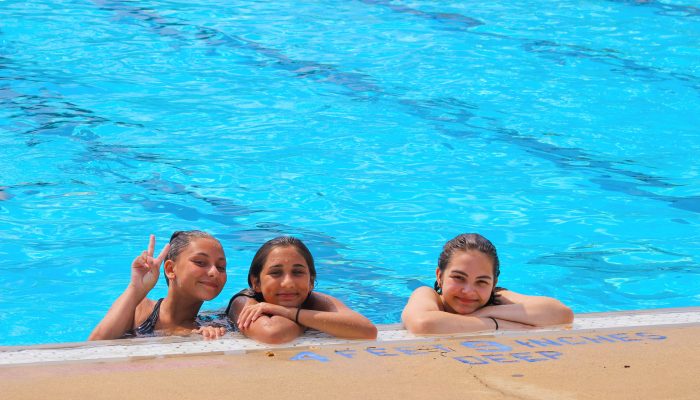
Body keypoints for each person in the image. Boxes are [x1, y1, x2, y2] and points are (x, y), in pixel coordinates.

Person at [402, 233, 573, 334]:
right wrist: (495, 324)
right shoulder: (427, 295)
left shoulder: (497, 297)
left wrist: (488, 310)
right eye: (459, 278)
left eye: (482, 282)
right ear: (440, 276)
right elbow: (423, 323)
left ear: (493, 283)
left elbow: (561, 314)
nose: (469, 291)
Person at [227, 236, 377, 344]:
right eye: (276, 273)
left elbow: (368, 330)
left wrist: (287, 312)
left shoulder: (313, 299)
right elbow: (274, 334)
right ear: (256, 282)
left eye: (297, 272)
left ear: (310, 281)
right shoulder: (243, 302)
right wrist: (312, 320)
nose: (288, 283)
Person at [89, 231, 228, 340]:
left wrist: (209, 337)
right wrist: (136, 289)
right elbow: (94, 346)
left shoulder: (212, 325)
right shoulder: (140, 311)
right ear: (170, 269)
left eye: (221, 267)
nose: (214, 272)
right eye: (200, 262)